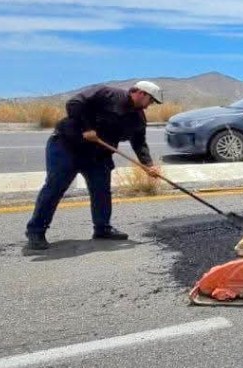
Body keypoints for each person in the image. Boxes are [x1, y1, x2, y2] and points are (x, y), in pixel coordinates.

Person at [25, 81, 163, 250]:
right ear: (141, 93)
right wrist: (87, 128)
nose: (150, 106)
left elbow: (139, 143)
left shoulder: (138, 119)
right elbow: (74, 103)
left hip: (98, 155)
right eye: (151, 100)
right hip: (67, 146)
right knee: (55, 187)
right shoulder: (107, 94)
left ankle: (102, 229)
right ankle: (36, 231)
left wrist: (148, 165)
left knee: (101, 190)